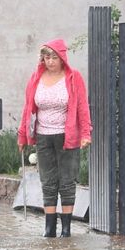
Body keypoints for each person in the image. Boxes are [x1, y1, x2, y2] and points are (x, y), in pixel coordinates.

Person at [17, 38, 92, 238]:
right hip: (43, 137)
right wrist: (23, 136)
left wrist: (86, 133)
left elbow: (83, 107)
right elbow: (27, 109)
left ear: (62, 58)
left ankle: (66, 229)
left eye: (54, 57)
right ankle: (49, 229)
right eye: (46, 57)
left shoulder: (73, 77)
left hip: (67, 137)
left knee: (66, 182)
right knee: (48, 182)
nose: (50, 61)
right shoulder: (36, 78)